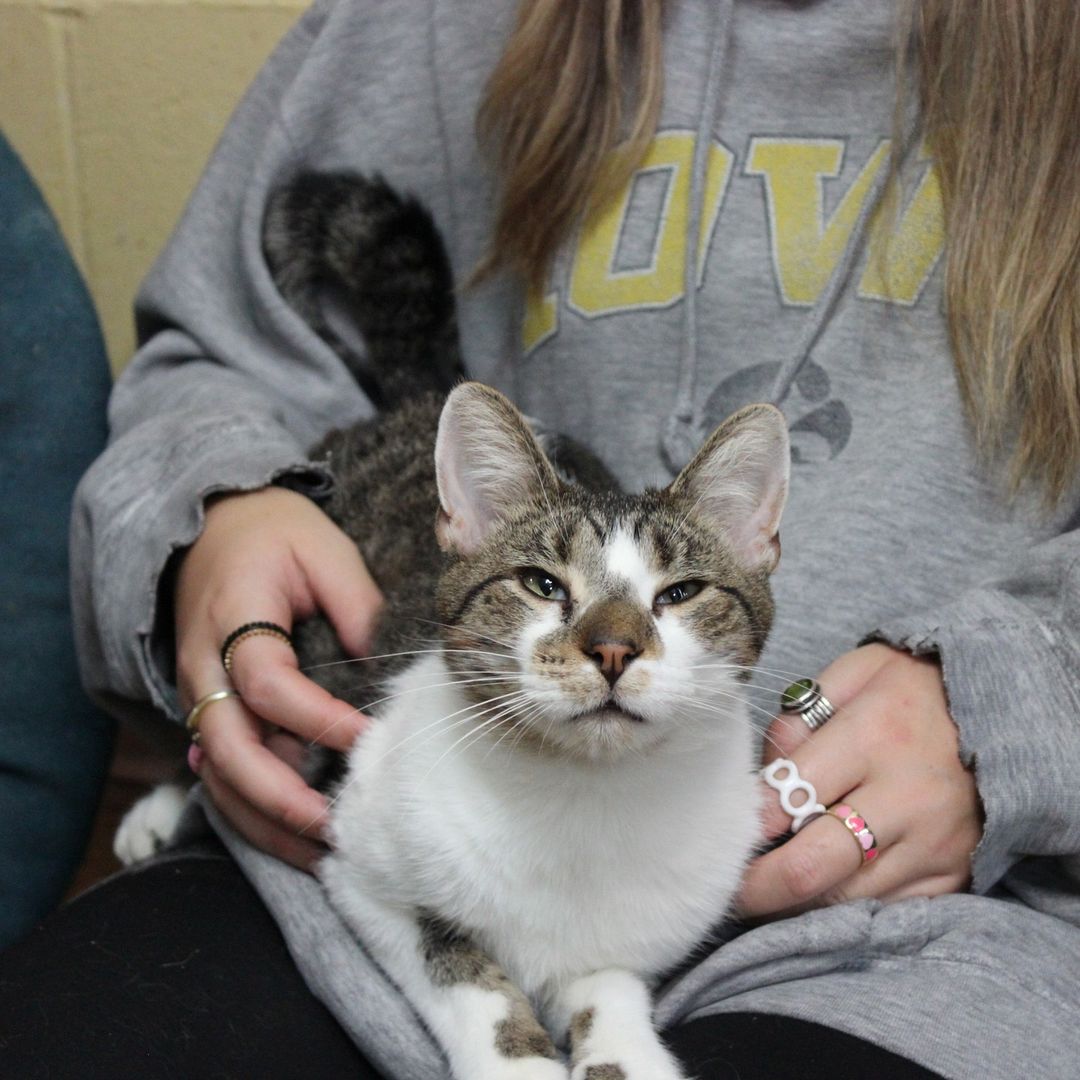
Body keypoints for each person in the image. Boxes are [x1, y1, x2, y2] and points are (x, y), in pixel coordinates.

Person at [2, 1, 1078, 1077]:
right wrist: (215, 507)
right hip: (336, 857)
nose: (613, 644)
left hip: (949, 932)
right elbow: (218, 360)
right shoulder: (426, 28)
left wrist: (1022, 695)